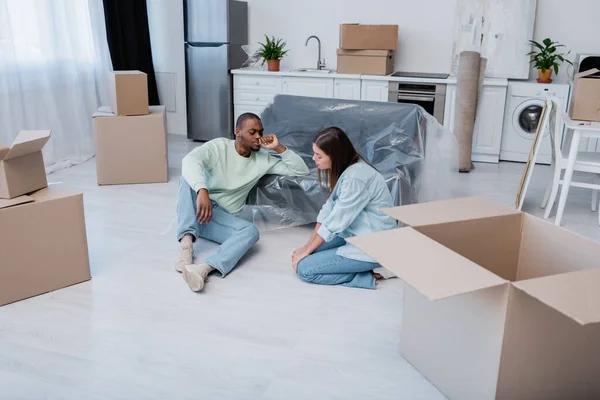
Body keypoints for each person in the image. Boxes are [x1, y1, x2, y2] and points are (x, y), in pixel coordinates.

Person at [177, 112, 309, 292]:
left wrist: (278, 148)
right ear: (237, 132)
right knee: (186, 179)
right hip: (200, 208)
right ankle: (186, 245)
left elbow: (301, 171)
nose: (258, 137)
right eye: (252, 132)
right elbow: (189, 160)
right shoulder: (219, 147)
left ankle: (203, 269)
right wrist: (202, 190)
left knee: (251, 231)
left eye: (260, 132)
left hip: (220, 219)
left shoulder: (264, 159)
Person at [292, 126, 397, 290]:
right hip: (355, 234)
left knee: (305, 269)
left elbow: (336, 221)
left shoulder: (356, 177)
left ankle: (372, 273)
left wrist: (306, 252)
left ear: (334, 156)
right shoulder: (347, 170)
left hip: (373, 244)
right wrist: (306, 248)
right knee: (307, 254)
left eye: (319, 155)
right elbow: (326, 212)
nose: (314, 158)